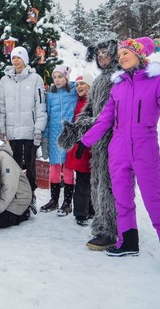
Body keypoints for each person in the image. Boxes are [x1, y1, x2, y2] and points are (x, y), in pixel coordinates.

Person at [76, 37, 160, 276]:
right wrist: (84, 142)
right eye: (121, 54)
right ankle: (128, 242)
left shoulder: (157, 83)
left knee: (154, 202)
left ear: (140, 55)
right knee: (122, 200)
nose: (121, 57)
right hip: (118, 149)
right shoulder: (118, 86)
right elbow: (105, 120)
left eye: (126, 53)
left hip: (144, 148)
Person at [58, 39, 120, 250]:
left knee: (109, 185)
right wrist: (76, 128)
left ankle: (111, 229)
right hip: (98, 142)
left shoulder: (119, 79)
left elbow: (109, 117)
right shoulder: (101, 80)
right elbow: (90, 109)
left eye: (105, 54)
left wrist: (87, 131)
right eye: (99, 54)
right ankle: (102, 224)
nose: (101, 58)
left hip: (114, 141)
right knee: (97, 183)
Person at [0, 46, 46, 214]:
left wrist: (38, 129)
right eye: (13, 58)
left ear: (25, 60)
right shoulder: (5, 80)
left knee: (30, 166)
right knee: (14, 167)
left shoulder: (35, 79)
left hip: (30, 131)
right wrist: (2, 131)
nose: (16, 61)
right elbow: (2, 107)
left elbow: (40, 106)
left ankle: (31, 196)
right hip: (12, 133)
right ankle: (17, 198)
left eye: (19, 58)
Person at [40, 65, 77, 215]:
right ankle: (54, 200)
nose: (57, 80)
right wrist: (46, 137)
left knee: (68, 168)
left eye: (60, 77)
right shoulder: (51, 95)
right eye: (54, 77)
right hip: (55, 135)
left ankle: (67, 202)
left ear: (66, 77)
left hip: (69, 135)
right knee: (54, 168)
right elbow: (48, 116)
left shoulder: (73, 91)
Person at [63, 73, 94, 226]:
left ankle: (91, 209)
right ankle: (81, 213)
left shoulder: (95, 102)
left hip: (93, 147)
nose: (79, 87)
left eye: (83, 84)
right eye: (77, 85)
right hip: (81, 148)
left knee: (93, 180)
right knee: (82, 180)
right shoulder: (77, 102)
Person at [0, 141, 32, 229]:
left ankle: (23, 214)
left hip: (18, 199)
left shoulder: (2, 156)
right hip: (10, 197)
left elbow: (9, 186)